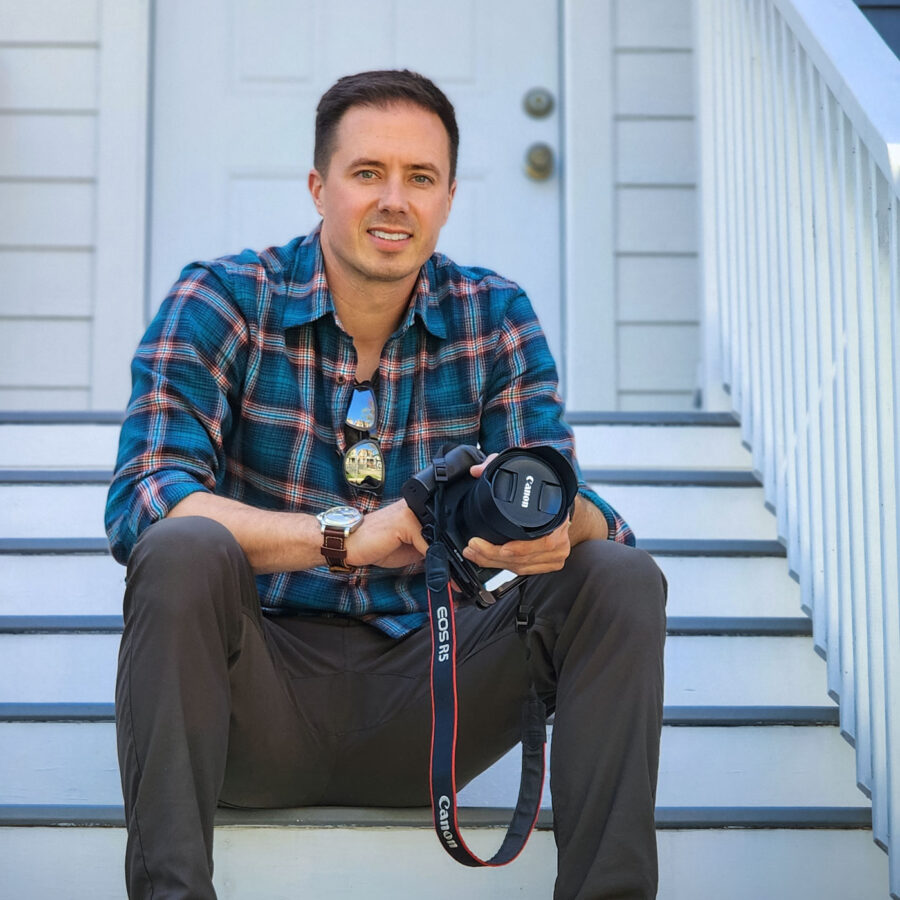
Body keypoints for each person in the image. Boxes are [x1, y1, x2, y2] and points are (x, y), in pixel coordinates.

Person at [105, 68, 667, 900]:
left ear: (446, 199)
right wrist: (347, 536)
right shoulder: (223, 299)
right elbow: (145, 503)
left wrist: (548, 520)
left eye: (421, 178)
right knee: (183, 548)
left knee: (616, 574)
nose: (393, 201)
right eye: (367, 173)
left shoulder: (494, 315)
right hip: (257, 701)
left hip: (436, 701)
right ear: (318, 187)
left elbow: (585, 512)